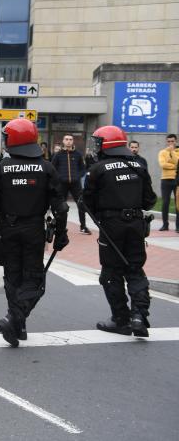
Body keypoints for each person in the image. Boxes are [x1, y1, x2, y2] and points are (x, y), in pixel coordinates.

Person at [0, 119, 68, 347]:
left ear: (16, 139)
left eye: (7, 137)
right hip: (34, 229)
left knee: (13, 276)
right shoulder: (47, 167)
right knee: (34, 280)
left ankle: (16, 322)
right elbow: (60, 206)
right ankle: (16, 321)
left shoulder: (2, 168)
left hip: (8, 229)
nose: (6, 141)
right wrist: (61, 234)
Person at [83, 125, 157, 337]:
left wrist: (103, 215)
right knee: (135, 269)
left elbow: (86, 201)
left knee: (111, 273)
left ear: (106, 144)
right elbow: (150, 200)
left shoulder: (98, 168)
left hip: (111, 226)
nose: (96, 146)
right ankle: (139, 316)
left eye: (98, 142)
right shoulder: (139, 165)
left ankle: (121, 319)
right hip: (135, 224)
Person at [51, 135, 90, 234]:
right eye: (66, 139)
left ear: (73, 141)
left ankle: (83, 227)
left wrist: (78, 176)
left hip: (75, 184)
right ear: (63, 141)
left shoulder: (78, 154)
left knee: (81, 204)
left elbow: (83, 168)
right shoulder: (58, 155)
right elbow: (52, 168)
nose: (68, 141)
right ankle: (60, 227)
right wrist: (59, 178)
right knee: (61, 206)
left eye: (70, 139)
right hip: (62, 184)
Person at [157, 134, 177, 231]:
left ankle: (178, 226)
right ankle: (165, 224)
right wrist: (174, 166)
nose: (170, 143)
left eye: (172, 141)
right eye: (168, 141)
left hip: (177, 179)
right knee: (165, 202)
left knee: (178, 203)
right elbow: (162, 164)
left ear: (176, 141)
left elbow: (177, 162)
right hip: (165, 179)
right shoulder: (162, 152)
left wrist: (172, 152)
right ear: (166, 142)